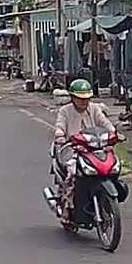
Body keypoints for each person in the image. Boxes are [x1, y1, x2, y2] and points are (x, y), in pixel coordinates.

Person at [52, 79, 116, 224]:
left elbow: (105, 123)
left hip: (94, 147)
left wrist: (114, 133)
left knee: (112, 164)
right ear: (72, 97)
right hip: (72, 149)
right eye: (80, 98)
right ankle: (67, 206)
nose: (83, 101)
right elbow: (60, 125)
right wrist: (60, 134)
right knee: (73, 172)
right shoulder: (65, 111)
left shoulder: (94, 109)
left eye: (86, 98)